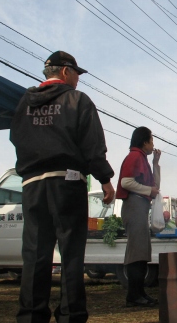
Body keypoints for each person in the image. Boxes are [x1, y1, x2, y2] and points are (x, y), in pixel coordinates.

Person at [10, 51, 115, 323]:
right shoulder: (77, 100)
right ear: (66, 72)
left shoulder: (26, 102)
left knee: (35, 253)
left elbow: (16, 137)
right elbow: (93, 146)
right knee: (70, 252)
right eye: (77, 74)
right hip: (66, 182)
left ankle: (31, 316)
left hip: (32, 184)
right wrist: (105, 179)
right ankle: (71, 315)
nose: (79, 79)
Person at [115, 127, 161, 307]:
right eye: (151, 140)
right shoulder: (134, 157)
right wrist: (148, 190)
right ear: (144, 142)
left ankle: (139, 293)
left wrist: (156, 163)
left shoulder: (141, 158)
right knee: (137, 251)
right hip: (134, 204)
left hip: (139, 206)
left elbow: (155, 185)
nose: (153, 144)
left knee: (141, 251)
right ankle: (134, 295)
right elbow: (125, 182)